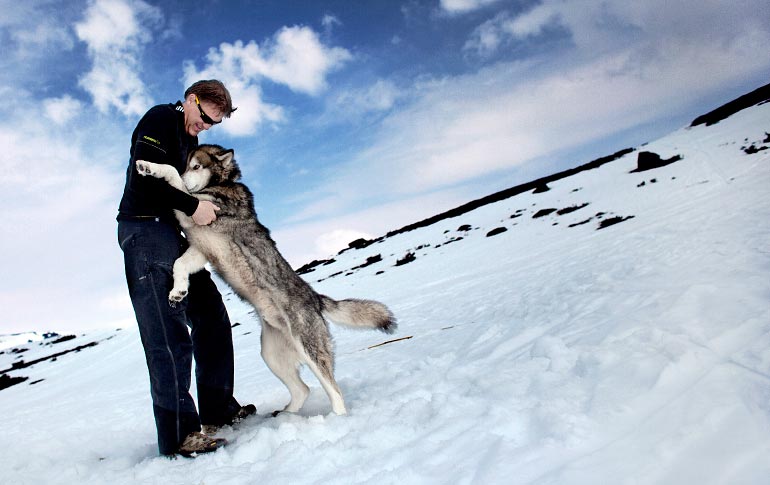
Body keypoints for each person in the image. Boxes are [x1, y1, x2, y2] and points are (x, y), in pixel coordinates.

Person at [117, 80, 254, 457]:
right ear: (190, 100)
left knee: (211, 316)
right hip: (144, 230)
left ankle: (217, 409)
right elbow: (146, 177)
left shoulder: (190, 141)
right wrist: (194, 208)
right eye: (205, 118)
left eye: (214, 124)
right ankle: (179, 433)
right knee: (168, 332)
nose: (206, 127)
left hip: (173, 233)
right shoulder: (160, 119)